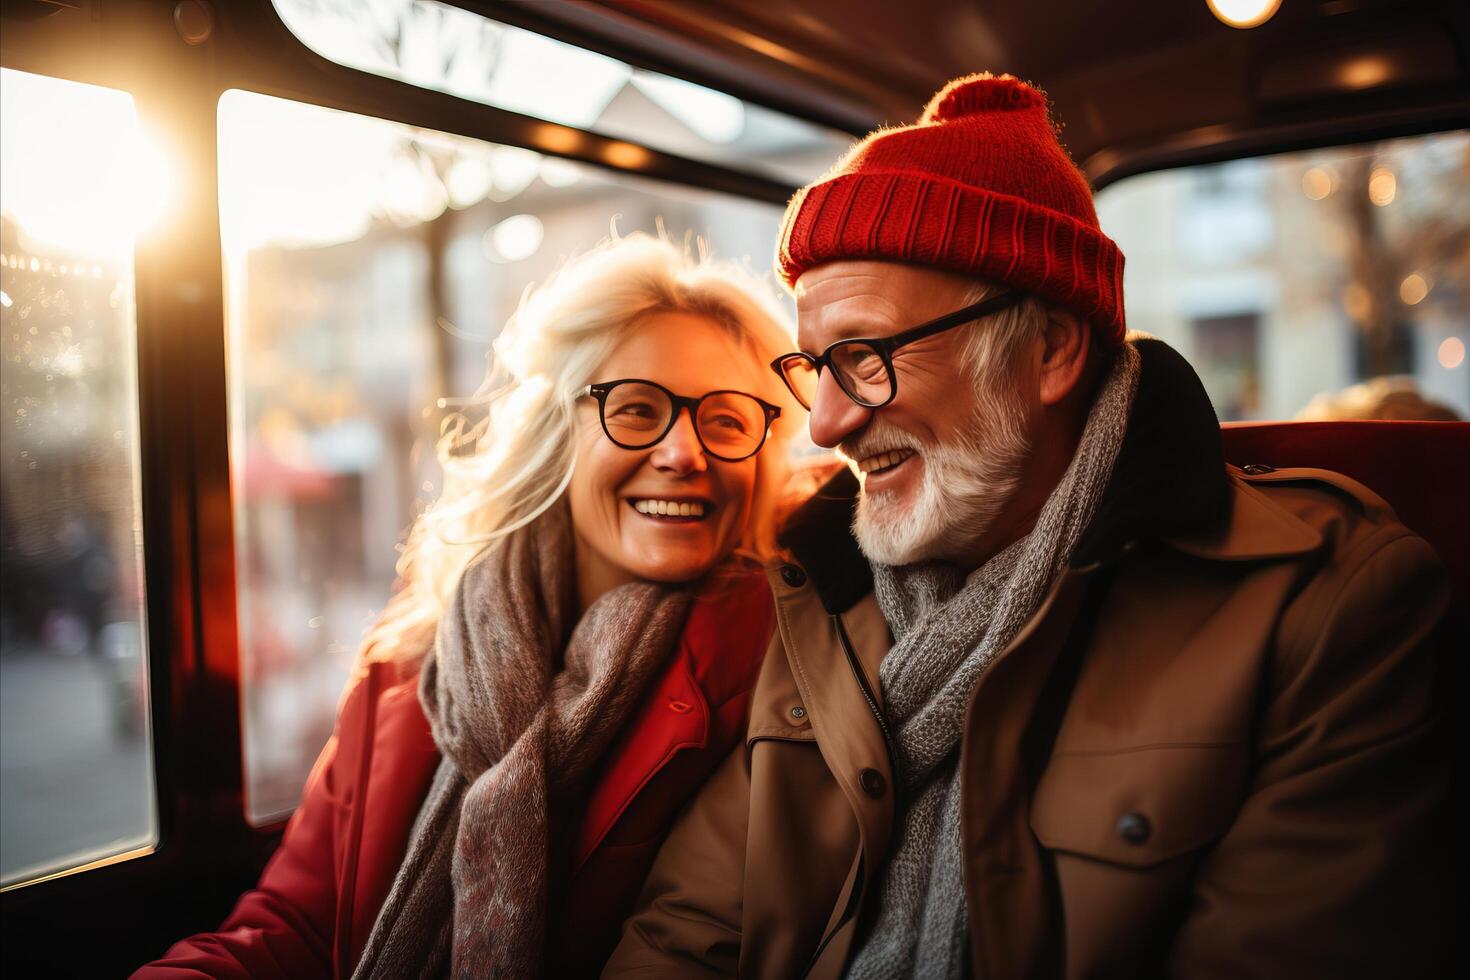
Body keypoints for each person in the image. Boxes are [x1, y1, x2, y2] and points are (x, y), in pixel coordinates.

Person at [604, 74, 1454, 978]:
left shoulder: (1329, 608)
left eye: (864, 358)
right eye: (815, 366)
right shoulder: (817, 595)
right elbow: (683, 938)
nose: (825, 423)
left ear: (1048, 350)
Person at [135, 234, 800, 979]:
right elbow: (293, 926)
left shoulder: (780, 679)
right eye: (639, 410)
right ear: (556, 434)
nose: (685, 453)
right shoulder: (414, 663)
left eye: (727, 421)